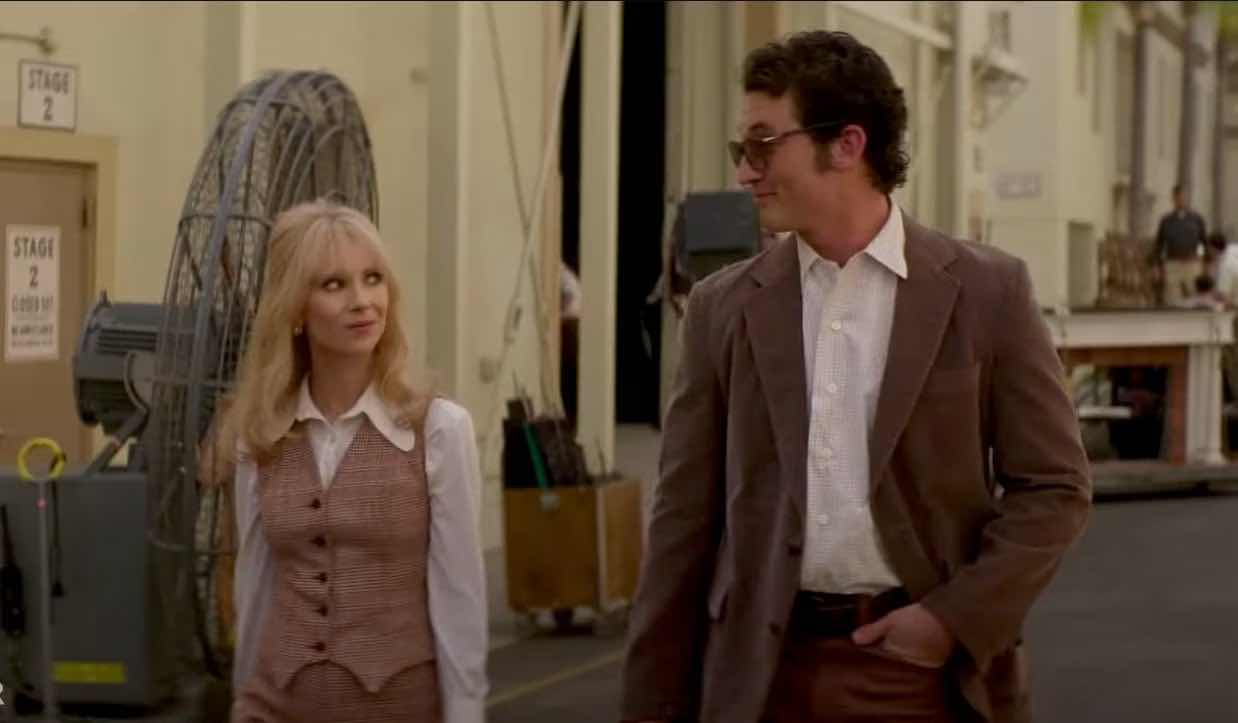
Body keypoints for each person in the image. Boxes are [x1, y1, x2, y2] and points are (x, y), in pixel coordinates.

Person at [620, 31, 1091, 723]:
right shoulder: (723, 307)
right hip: (760, 680)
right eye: (740, 149)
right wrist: (650, 705)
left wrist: (951, 621)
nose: (745, 172)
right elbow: (681, 524)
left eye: (762, 145)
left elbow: (1053, 487)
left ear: (847, 144)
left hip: (920, 679)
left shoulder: (988, 291)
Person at [214, 200, 488, 722]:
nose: (363, 301)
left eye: (373, 279)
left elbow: (461, 600)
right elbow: (255, 585)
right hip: (275, 706)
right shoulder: (261, 435)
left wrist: (465, 713)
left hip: (397, 708)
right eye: (334, 284)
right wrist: (241, 700)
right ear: (296, 310)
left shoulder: (439, 430)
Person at [1154, 185, 1207, 306]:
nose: (1181, 200)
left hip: (1192, 263)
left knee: (1195, 297)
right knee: (1172, 298)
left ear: (1188, 198)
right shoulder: (1166, 221)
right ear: (1173, 199)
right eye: (1178, 197)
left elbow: (1204, 242)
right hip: (1172, 263)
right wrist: (1157, 266)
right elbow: (1159, 245)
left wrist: (1204, 264)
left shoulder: (1197, 219)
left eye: (1184, 197)